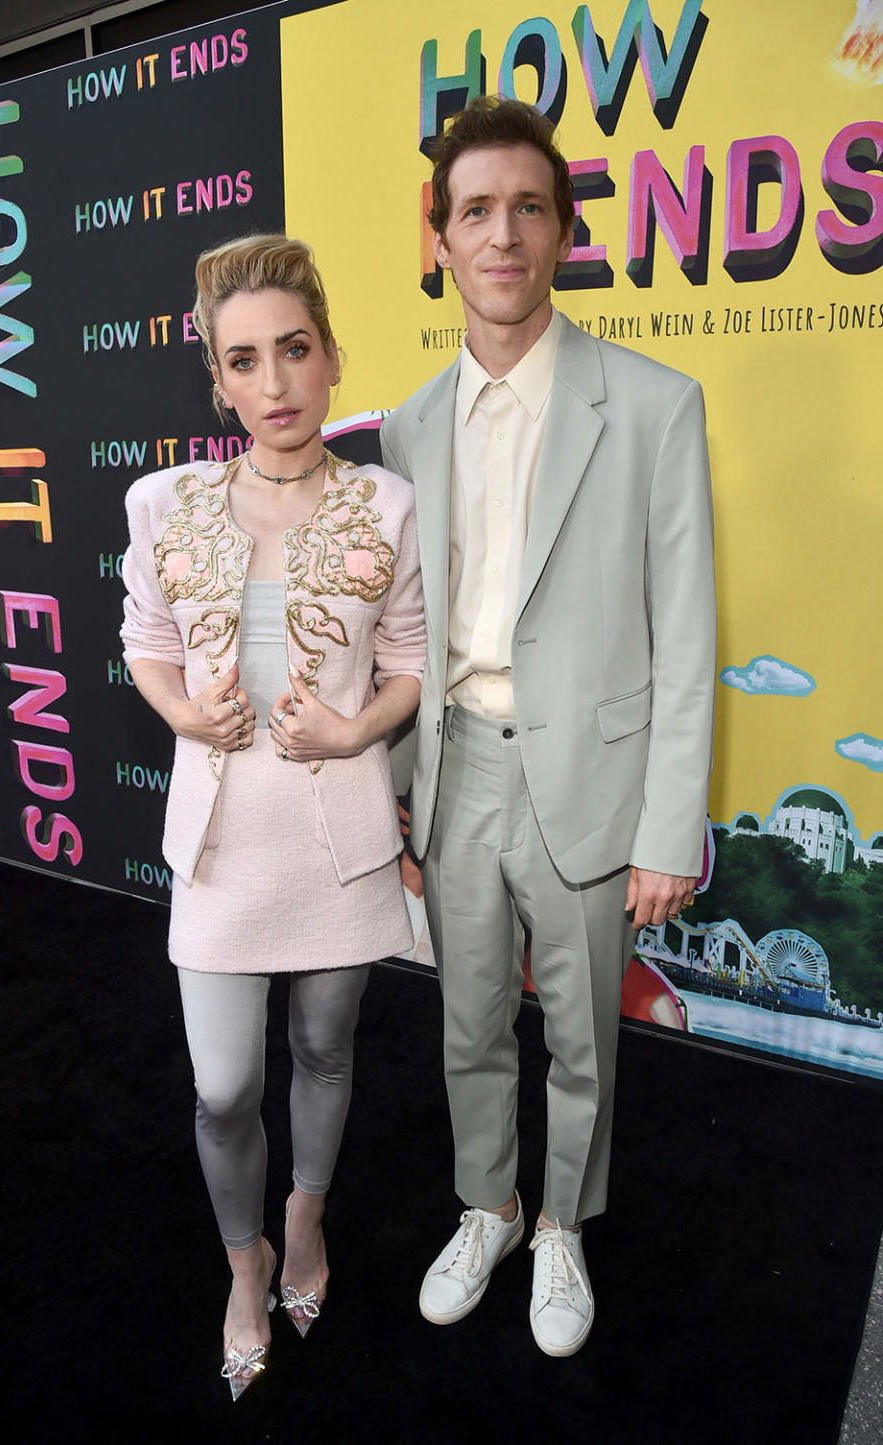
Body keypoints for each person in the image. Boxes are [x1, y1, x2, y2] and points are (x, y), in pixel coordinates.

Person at [381, 97, 715, 1357]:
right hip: (457, 767)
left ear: (566, 229)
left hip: (593, 777)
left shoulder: (654, 402)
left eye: (528, 207)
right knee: (468, 1021)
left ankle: (564, 1224)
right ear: (441, 239)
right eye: (476, 212)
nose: (502, 234)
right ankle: (490, 1203)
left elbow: (687, 632)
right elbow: (404, 633)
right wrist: (402, 801)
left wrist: (669, 823)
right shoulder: (409, 424)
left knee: (582, 1032)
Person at [120, 234, 425, 1398]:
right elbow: (144, 642)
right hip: (219, 844)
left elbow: (402, 661)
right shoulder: (166, 501)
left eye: (295, 350)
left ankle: (302, 1225)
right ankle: (241, 1262)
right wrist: (187, 714)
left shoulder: (384, 504)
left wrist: (356, 734)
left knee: (324, 1047)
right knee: (224, 1089)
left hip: (337, 837)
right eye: (245, 360)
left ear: (332, 357)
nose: (277, 382)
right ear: (219, 381)